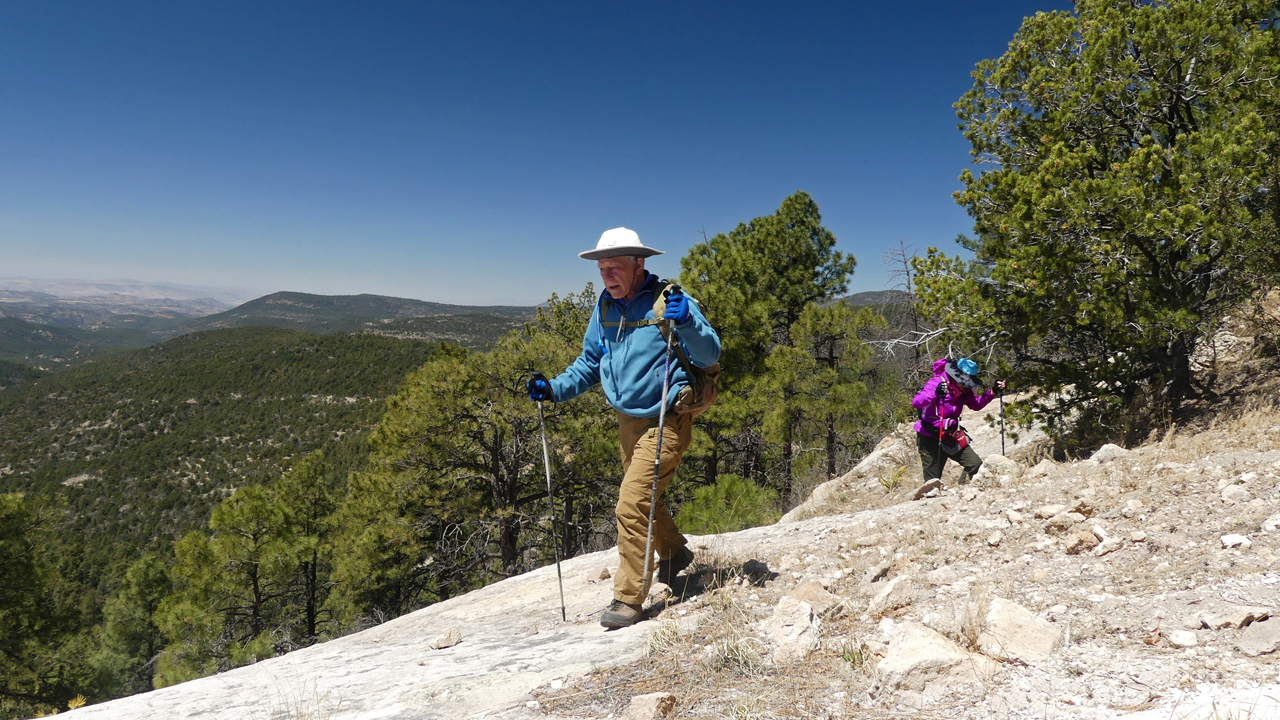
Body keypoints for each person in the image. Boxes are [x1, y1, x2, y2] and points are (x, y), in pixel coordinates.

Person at [527, 227, 721, 629]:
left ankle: (629, 599)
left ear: (639, 263)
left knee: (631, 503)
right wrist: (554, 390)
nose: (607, 276)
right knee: (645, 496)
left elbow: (710, 350)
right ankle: (674, 555)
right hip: (628, 422)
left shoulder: (668, 300)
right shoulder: (605, 306)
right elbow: (589, 362)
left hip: (667, 418)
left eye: (615, 267)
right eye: (602, 269)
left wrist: (686, 323)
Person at [911, 357, 1006, 494]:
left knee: (975, 465)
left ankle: (961, 489)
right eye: (963, 382)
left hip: (951, 435)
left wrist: (993, 392)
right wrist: (935, 393)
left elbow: (976, 405)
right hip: (930, 437)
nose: (965, 385)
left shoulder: (965, 390)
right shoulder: (937, 383)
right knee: (932, 484)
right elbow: (916, 402)